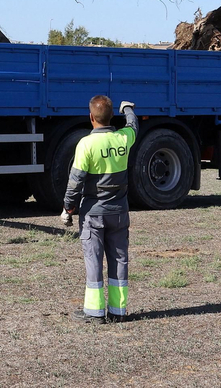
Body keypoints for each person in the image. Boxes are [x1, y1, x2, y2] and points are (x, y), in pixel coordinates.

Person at [62, 95, 137, 323]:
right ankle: (118, 311)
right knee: (119, 260)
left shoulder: (86, 144)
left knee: (94, 261)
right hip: (119, 212)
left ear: (91, 117)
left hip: (94, 213)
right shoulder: (124, 139)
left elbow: (75, 182)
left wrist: (68, 207)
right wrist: (128, 109)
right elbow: (133, 125)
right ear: (111, 116)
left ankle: (94, 313)